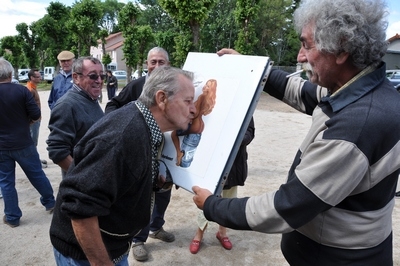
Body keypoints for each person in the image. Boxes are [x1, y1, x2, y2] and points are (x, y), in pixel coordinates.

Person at [192, 0, 400, 265]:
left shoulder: (357, 125)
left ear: (342, 48)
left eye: (306, 44)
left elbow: (287, 206)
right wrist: (254, 70)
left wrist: (213, 205)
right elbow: (302, 93)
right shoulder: (361, 91)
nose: (300, 56)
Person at [50, 66, 196, 265]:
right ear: (162, 99)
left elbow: (122, 178)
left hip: (113, 246)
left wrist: (154, 182)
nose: (194, 109)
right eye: (188, 101)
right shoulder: (123, 137)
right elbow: (80, 207)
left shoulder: (145, 127)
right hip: (86, 254)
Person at [105, 47, 173, 262]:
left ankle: (156, 227)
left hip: (168, 154)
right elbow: (112, 105)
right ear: (146, 64)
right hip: (143, 154)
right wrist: (123, 133)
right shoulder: (137, 86)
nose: (157, 66)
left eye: (162, 62)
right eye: (153, 61)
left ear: (168, 65)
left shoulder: (175, 88)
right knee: (143, 198)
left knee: (164, 194)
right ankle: (138, 240)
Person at [0, 58, 55, 228]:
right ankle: (50, 202)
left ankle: (12, 217)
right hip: (23, 141)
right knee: (36, 174)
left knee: (6, 182)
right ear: (10, 73)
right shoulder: (22, 91)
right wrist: (27, 122)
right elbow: (36, 113)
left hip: (1, 146)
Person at [189, 117, 255, 254]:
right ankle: (199, 234)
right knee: (206, 197)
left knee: (228, 200)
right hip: (214, 159)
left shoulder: (246, 102)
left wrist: (237, 139)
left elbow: (250, 132)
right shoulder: (217, 100)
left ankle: (222, 233)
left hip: (234, 162)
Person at [46, 56, 104, 179]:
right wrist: (82, 176)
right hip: (83, 185)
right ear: (76, 78)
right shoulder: (66, 105)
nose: (99, 80)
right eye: (93, 76)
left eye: (102, 76)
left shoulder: (89, 99)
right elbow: (57, 151)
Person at [26, 69, 47, 168]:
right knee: (32, 141)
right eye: (38, 77)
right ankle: (34, 162)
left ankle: (35, 159)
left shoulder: (33, 88)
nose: (40, 78)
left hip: (36, 119)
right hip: (33, 121)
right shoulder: (30, 90)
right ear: (32, 78)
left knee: (34, 141)